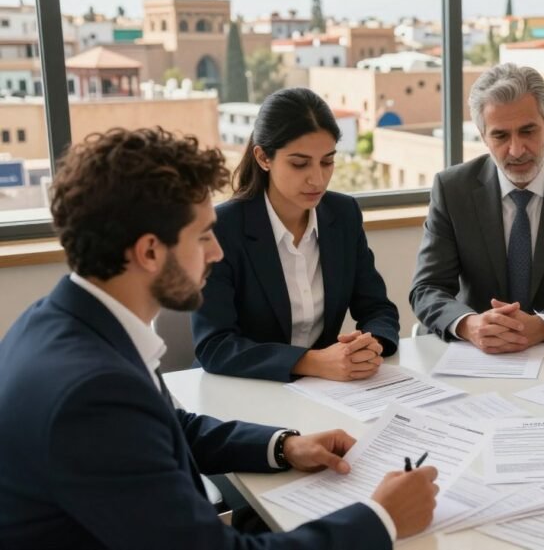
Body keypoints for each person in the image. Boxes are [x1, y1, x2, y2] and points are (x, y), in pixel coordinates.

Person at [0, 127, 438, 548]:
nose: (217, 252)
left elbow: (170, 428)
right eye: (204, 235)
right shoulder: (92, 392)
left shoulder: (63, 320)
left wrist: (283, 445)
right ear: (150, 251)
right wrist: (381, 519)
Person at [410, 63, 544, 353]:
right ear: (483, 135)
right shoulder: (452, 189)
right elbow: (427, 288)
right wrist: (468, 324)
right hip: (475, 353)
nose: (516, 149)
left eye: (528, 131)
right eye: (500, 136)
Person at [192, 88, 400, 382]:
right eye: (299, 163)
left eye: (327, 162)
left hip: (324, 390)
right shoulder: (223, 227)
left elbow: (378, 308)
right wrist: (312, 362)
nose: (317, 179)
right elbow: (215, 346)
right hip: (241, 390)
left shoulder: (344, 214)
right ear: (264, 157)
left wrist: (370, 345)